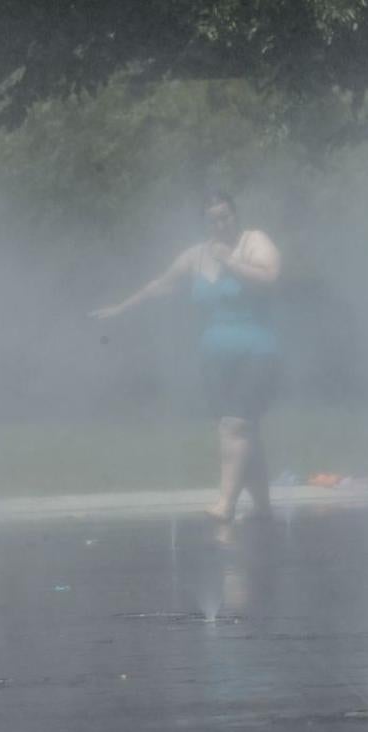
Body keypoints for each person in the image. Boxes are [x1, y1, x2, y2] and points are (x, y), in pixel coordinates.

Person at [91, 191, 283, 522]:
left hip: (256, 351)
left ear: (235, 216)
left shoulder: (254, 241)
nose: (221, 223)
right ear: (205, 223)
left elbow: (270, 277)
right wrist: (121, 309)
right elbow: (160, 286)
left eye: (226, 216)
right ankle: (263, 506)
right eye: (213, 219)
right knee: (240, 431)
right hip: (215, 357)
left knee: (235, 426)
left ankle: (225, 503)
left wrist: (232, 263)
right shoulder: (196, 256)